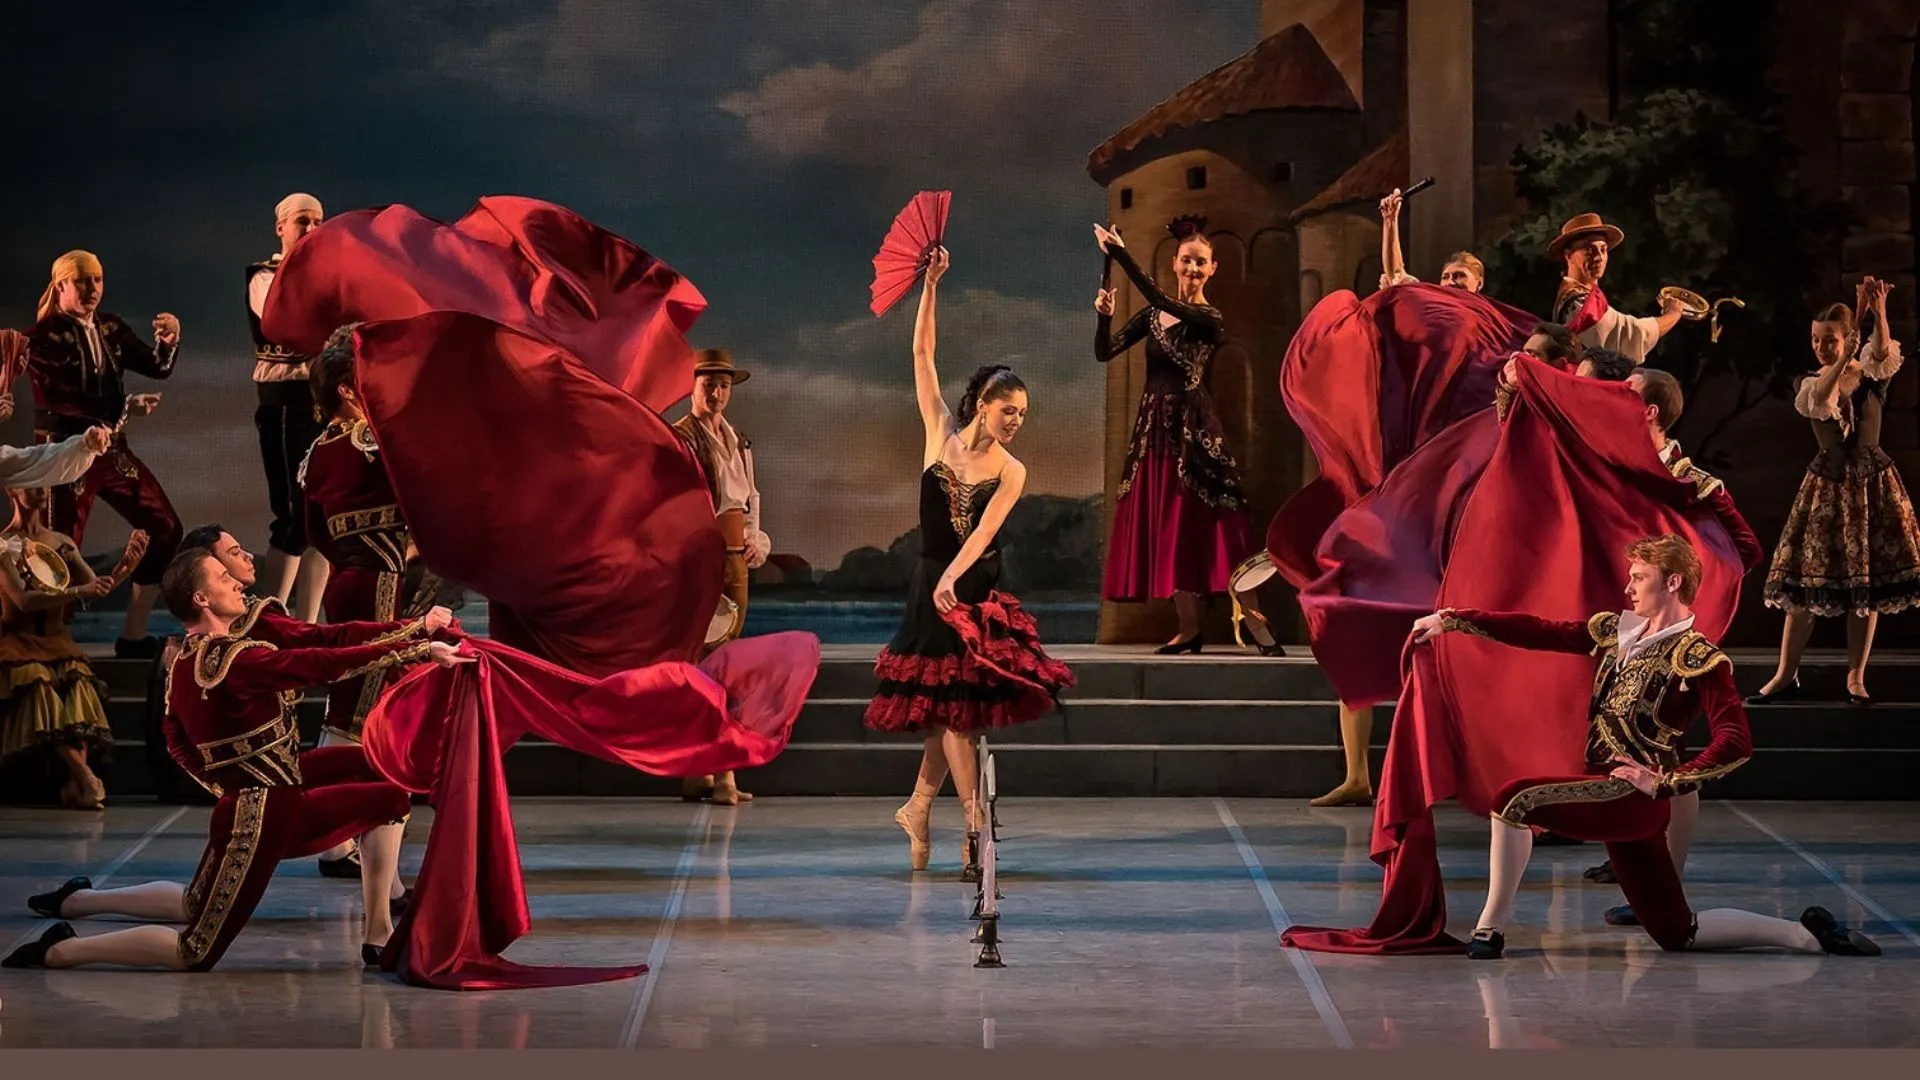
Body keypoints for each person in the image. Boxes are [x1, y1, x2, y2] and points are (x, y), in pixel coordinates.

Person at [1407, 534, 1879, 961]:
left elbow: (1736, 741)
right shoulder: (1620, 632)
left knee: (1514, 799)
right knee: (1678, 932)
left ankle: (1489, 929)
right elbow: (1541, 630)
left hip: (1633, 797)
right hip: (1614, 796)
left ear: (1672, 582)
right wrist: (1455, 620)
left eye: (1639, 577)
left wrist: (1664, 782)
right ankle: (1807, 935)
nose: (1628, 586)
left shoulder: (1698, 657)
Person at [2, 547, 463, 973]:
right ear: (202, 598)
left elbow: (176, 741)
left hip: (252, 802)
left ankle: (377, 932)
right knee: (194, 950)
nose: (237, 583)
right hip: (265, 813)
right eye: (224, 577)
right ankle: (61, 950)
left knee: (382, 785)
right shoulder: (239, 660)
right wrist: (419, 647)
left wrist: (227, 787)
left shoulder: (183, 661)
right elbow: (324, 662)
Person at [865, 245, 1073, 875]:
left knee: (956, 712)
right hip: (929, 582)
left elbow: (983, 534)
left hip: (970, 588)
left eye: (1024, 415)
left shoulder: (1013, 469)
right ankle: (954, 819)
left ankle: (951, 820)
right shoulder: (939, 433)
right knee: (949, 712)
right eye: (1009, 410)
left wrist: (954, 580)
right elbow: (922, 355)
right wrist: (930, 285)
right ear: (984, 402)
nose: (1016, 422)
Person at [1578, 367, 1766, 904]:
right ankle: (1631, 849)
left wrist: (1692, 594)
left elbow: (1746, 549)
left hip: (1671, 628)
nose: (1617, 399)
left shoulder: (1692, 481)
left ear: (1651, 412)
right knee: (1619, 732)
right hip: (1627, 617)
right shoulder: (1615, 465)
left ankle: (1669, 877)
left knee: (1664, 741)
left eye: (1628, 395)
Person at [299, 327, 440, 879]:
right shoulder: (367, 440)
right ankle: (333, 840)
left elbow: (315, 532)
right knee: (355, 707)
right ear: (345, 390)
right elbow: (419, 484)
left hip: (347, 579)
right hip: (375, 582)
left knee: (352, 697)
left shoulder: (316, 453)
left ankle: (335, 837)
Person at [1750, 278, 1920, 707]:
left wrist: (1879, 312)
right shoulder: (1809, 384)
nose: (1821, 347)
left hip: (1871, 487)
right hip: (1826, 490)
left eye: (1830, 340)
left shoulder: (1872, 378)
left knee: (1866, 589)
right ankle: (1785, 675)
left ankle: (1856, 677)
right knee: (1806, 586)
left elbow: (1881, 352)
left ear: (1848, 338)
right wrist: (1843, 356)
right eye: (1816, 340)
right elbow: (1823, 399)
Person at [1094, 216, 1258, 652]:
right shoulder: (1152, 316)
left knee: (1211, 521)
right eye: (1187, 260)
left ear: (1213, 268)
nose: (1193, 268)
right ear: (1174, 262)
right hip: (1153, 431)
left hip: (1193, 428)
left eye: (1201, 262)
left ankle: (1256, 621)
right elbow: (1104, 352)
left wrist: (1120, 254)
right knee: (1168, 523)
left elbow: (1157, 297)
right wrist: (1103, 318)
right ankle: (1189, 627)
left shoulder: (1207, 317)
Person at [24, 250, 184, 658]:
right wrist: (125, 408)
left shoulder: (110, 327)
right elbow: (60, 398)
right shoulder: (42, 337)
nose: (92, 288)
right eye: (82, 280)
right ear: (61, 284)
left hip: (111, 452)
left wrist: (168, 342)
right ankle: (50, 642)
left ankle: (133, 633)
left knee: (165, 527)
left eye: (97, 280)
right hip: (65, 453)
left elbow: (156, 366)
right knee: (61, 547)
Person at [0, 486, 146, 809]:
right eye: (31, 482)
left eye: (44, 482)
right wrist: (80, 591)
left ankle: (75, 782)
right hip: (18, 643)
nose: (41, 489)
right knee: (38, 684)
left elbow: (96, 587)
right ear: (12, 490)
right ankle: (85, 776)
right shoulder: (3, 546)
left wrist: (124, 569)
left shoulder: (60, 542)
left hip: (57, 641)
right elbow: (24, 600)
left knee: (79, 682)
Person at [671, 348, 771, 806]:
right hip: (701, 555)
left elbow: (750, 498)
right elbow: (674, 503)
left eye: (724, 385)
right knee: (709, 664)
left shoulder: (739, 440)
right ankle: (721, 772)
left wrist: (754, 537)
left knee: (719, 663)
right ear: (692, 387)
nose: (716, 393)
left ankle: (698, 771)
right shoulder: (681, 438)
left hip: (734, 555)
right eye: (708, 384)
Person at [246, 193, 332, 620]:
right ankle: (271, 623)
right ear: (281, 227)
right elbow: (283, 324)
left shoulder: (331, 277)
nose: (312, 229)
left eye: (318, 221)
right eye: (303, 221)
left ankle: (308, 624)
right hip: (284, 402)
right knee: (292, 516)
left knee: (323, 516)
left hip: (324, 400)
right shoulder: (264, 276)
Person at [1549, 213, 1687, 365]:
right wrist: (1673, 314)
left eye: (1603, 250)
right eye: (1590, 250)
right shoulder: (1577, 302)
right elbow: (1630, 334)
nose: (1599, 257)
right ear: (1569, 255)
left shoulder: (1583, 296)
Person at [1377, 187, 1484, 292]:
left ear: (1479, 283)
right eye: (1445, 277)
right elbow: (1396, 274)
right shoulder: (1430, 298)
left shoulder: (1488, 304)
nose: (1450, 283)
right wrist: (1390, 219)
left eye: (1459, 276)